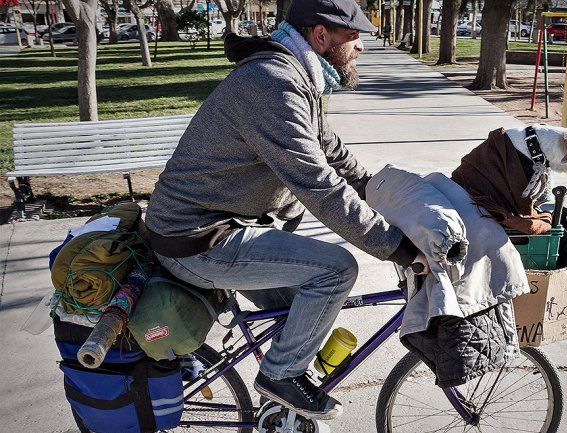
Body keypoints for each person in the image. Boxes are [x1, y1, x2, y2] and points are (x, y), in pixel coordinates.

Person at [144, 0, 427, 421]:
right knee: (335, 271)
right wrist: (397, 248)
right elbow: (317, 184)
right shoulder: (273, 84)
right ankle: (280, 377)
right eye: (353, 36)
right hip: (198, 238)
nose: (361, 47)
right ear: (321, 35)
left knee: (309, 316)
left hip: (219, 225)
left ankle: (279, 412)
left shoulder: (296, 75)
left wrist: (384, 195)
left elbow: (332, 152)